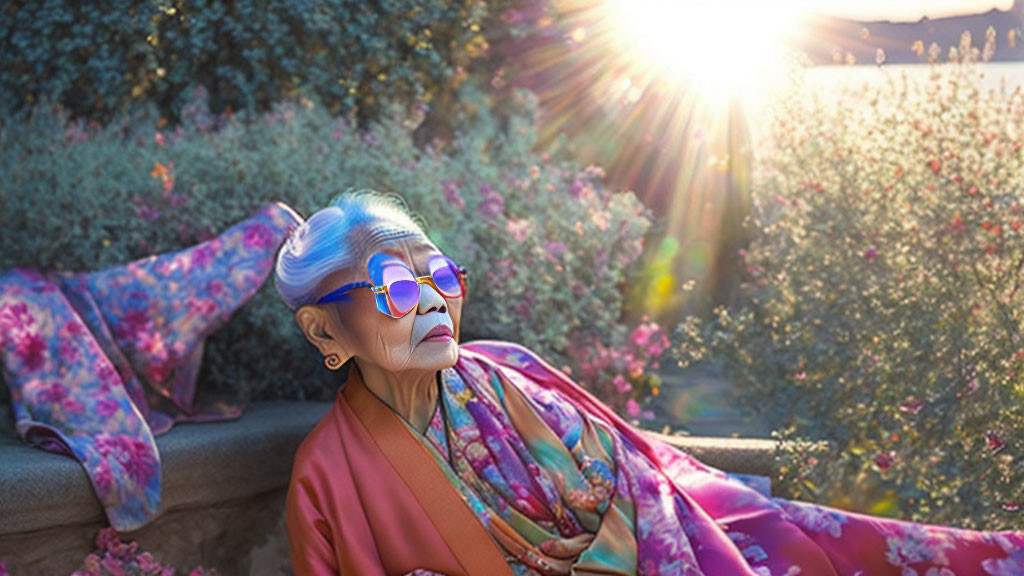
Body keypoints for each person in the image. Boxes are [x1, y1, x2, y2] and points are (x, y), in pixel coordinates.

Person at [277, 191, 1024, 576]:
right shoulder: (326, 476)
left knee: (820, 544)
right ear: (325, 332)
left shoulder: (507, 369)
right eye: (395, 289)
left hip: (660, 553)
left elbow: (632, 476)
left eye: (439, 274)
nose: (436, 300)